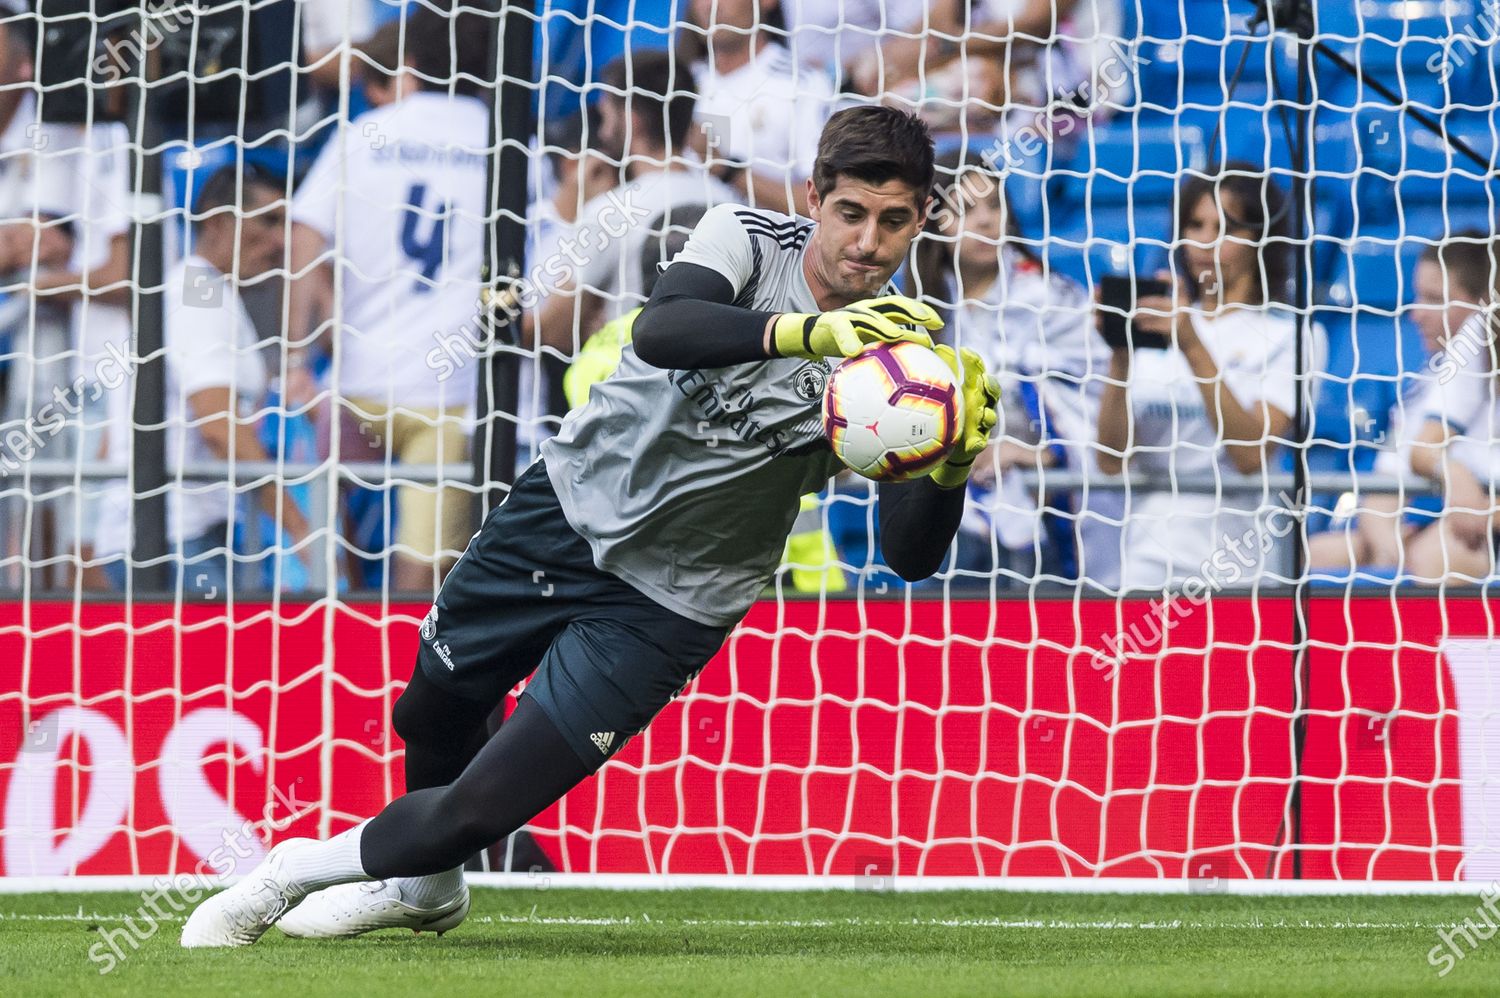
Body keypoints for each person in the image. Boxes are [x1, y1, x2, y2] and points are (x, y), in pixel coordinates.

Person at [181, 105, 999, 947]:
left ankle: (283, 874)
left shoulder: (907, 363)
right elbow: (666, 325)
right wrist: (808, 332)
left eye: (893, 221)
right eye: (851, 214)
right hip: (565, 512)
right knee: (428, 717)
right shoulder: (745, 237)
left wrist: (949, 467)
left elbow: (908, 556)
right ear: (814, 198)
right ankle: (427, 889)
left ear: (919, 219)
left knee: (482, 806)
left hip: (671, 604)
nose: (867, 242)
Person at [287, 5, 490, 593]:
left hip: (357, 383)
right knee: (424, 574)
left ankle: (327, 665)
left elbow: (305, 234)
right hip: (449, 388)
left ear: (412, 61)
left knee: (329, 546)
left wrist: (300, 356)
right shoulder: (504, 138)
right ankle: (403, 679)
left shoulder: (366, 133)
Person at [1095, 164, 1321, 590]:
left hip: (1240, 565)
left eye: (1226, 228)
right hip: (1147, 556)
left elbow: (1250, 456)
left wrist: (1193, 346)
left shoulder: (1291, 334)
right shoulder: (1160, 322)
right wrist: (1120, 356)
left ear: (1261, 238)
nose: (1206, 241)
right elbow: (1110, 461)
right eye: (1196, 225)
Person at [94, 166, 310, 595]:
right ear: (216, 222)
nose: (282, 240)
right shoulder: (200, 299)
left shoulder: (193, 291)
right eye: (268, 220)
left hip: (163, 533)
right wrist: (304, 532)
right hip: (177, 538)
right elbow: (219, 430)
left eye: (287, 223)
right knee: (225, 662)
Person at [913, 149, 1114, 586]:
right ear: (932, 224)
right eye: (965, 210)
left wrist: (1027, 453)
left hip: (1043, 522)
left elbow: (1101, 415)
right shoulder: (917, 313)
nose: (986, 221)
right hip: (942, 519)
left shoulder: (1051, 299)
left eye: (995, 206)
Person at [1308, 235, 1498, 575]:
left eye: (1434, 299)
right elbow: (1390, 480)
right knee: (1316, 554)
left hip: (1477, 526)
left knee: (1433, 556)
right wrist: (1391, 548)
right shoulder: (1435, 377)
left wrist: (1480, 508)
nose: (1415, 315)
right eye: (1418, 296)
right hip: (1445, 521)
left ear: (1481, 303)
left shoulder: (1474, 342)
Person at [531, 49, 736, 354]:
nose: (601, 130)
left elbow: (556, 331)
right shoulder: (730, 202)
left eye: (606, 115)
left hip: (637, 387)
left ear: (631, 119)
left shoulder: (611, 212)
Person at [687, 0, 835, 216]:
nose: (709, 5)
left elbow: (822, 204)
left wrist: (728, 170)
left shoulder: (802, 84)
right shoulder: (678, 84)